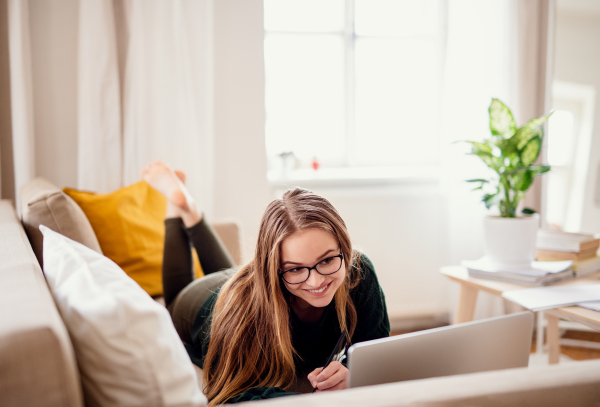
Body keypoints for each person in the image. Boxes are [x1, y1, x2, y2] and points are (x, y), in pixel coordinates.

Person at [141, 162, 390, 405]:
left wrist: (351, 373)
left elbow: (374, 350)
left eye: (326, 260)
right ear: (272, 268)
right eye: (295, 269)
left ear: (344, 249)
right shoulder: (241, 310)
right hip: (202, 303)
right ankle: (178, 208)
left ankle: (190, 210)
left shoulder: (358, 271)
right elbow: (230, 393)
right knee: (174, 303)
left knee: (231, 273)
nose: (316, 281)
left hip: (239, 281)